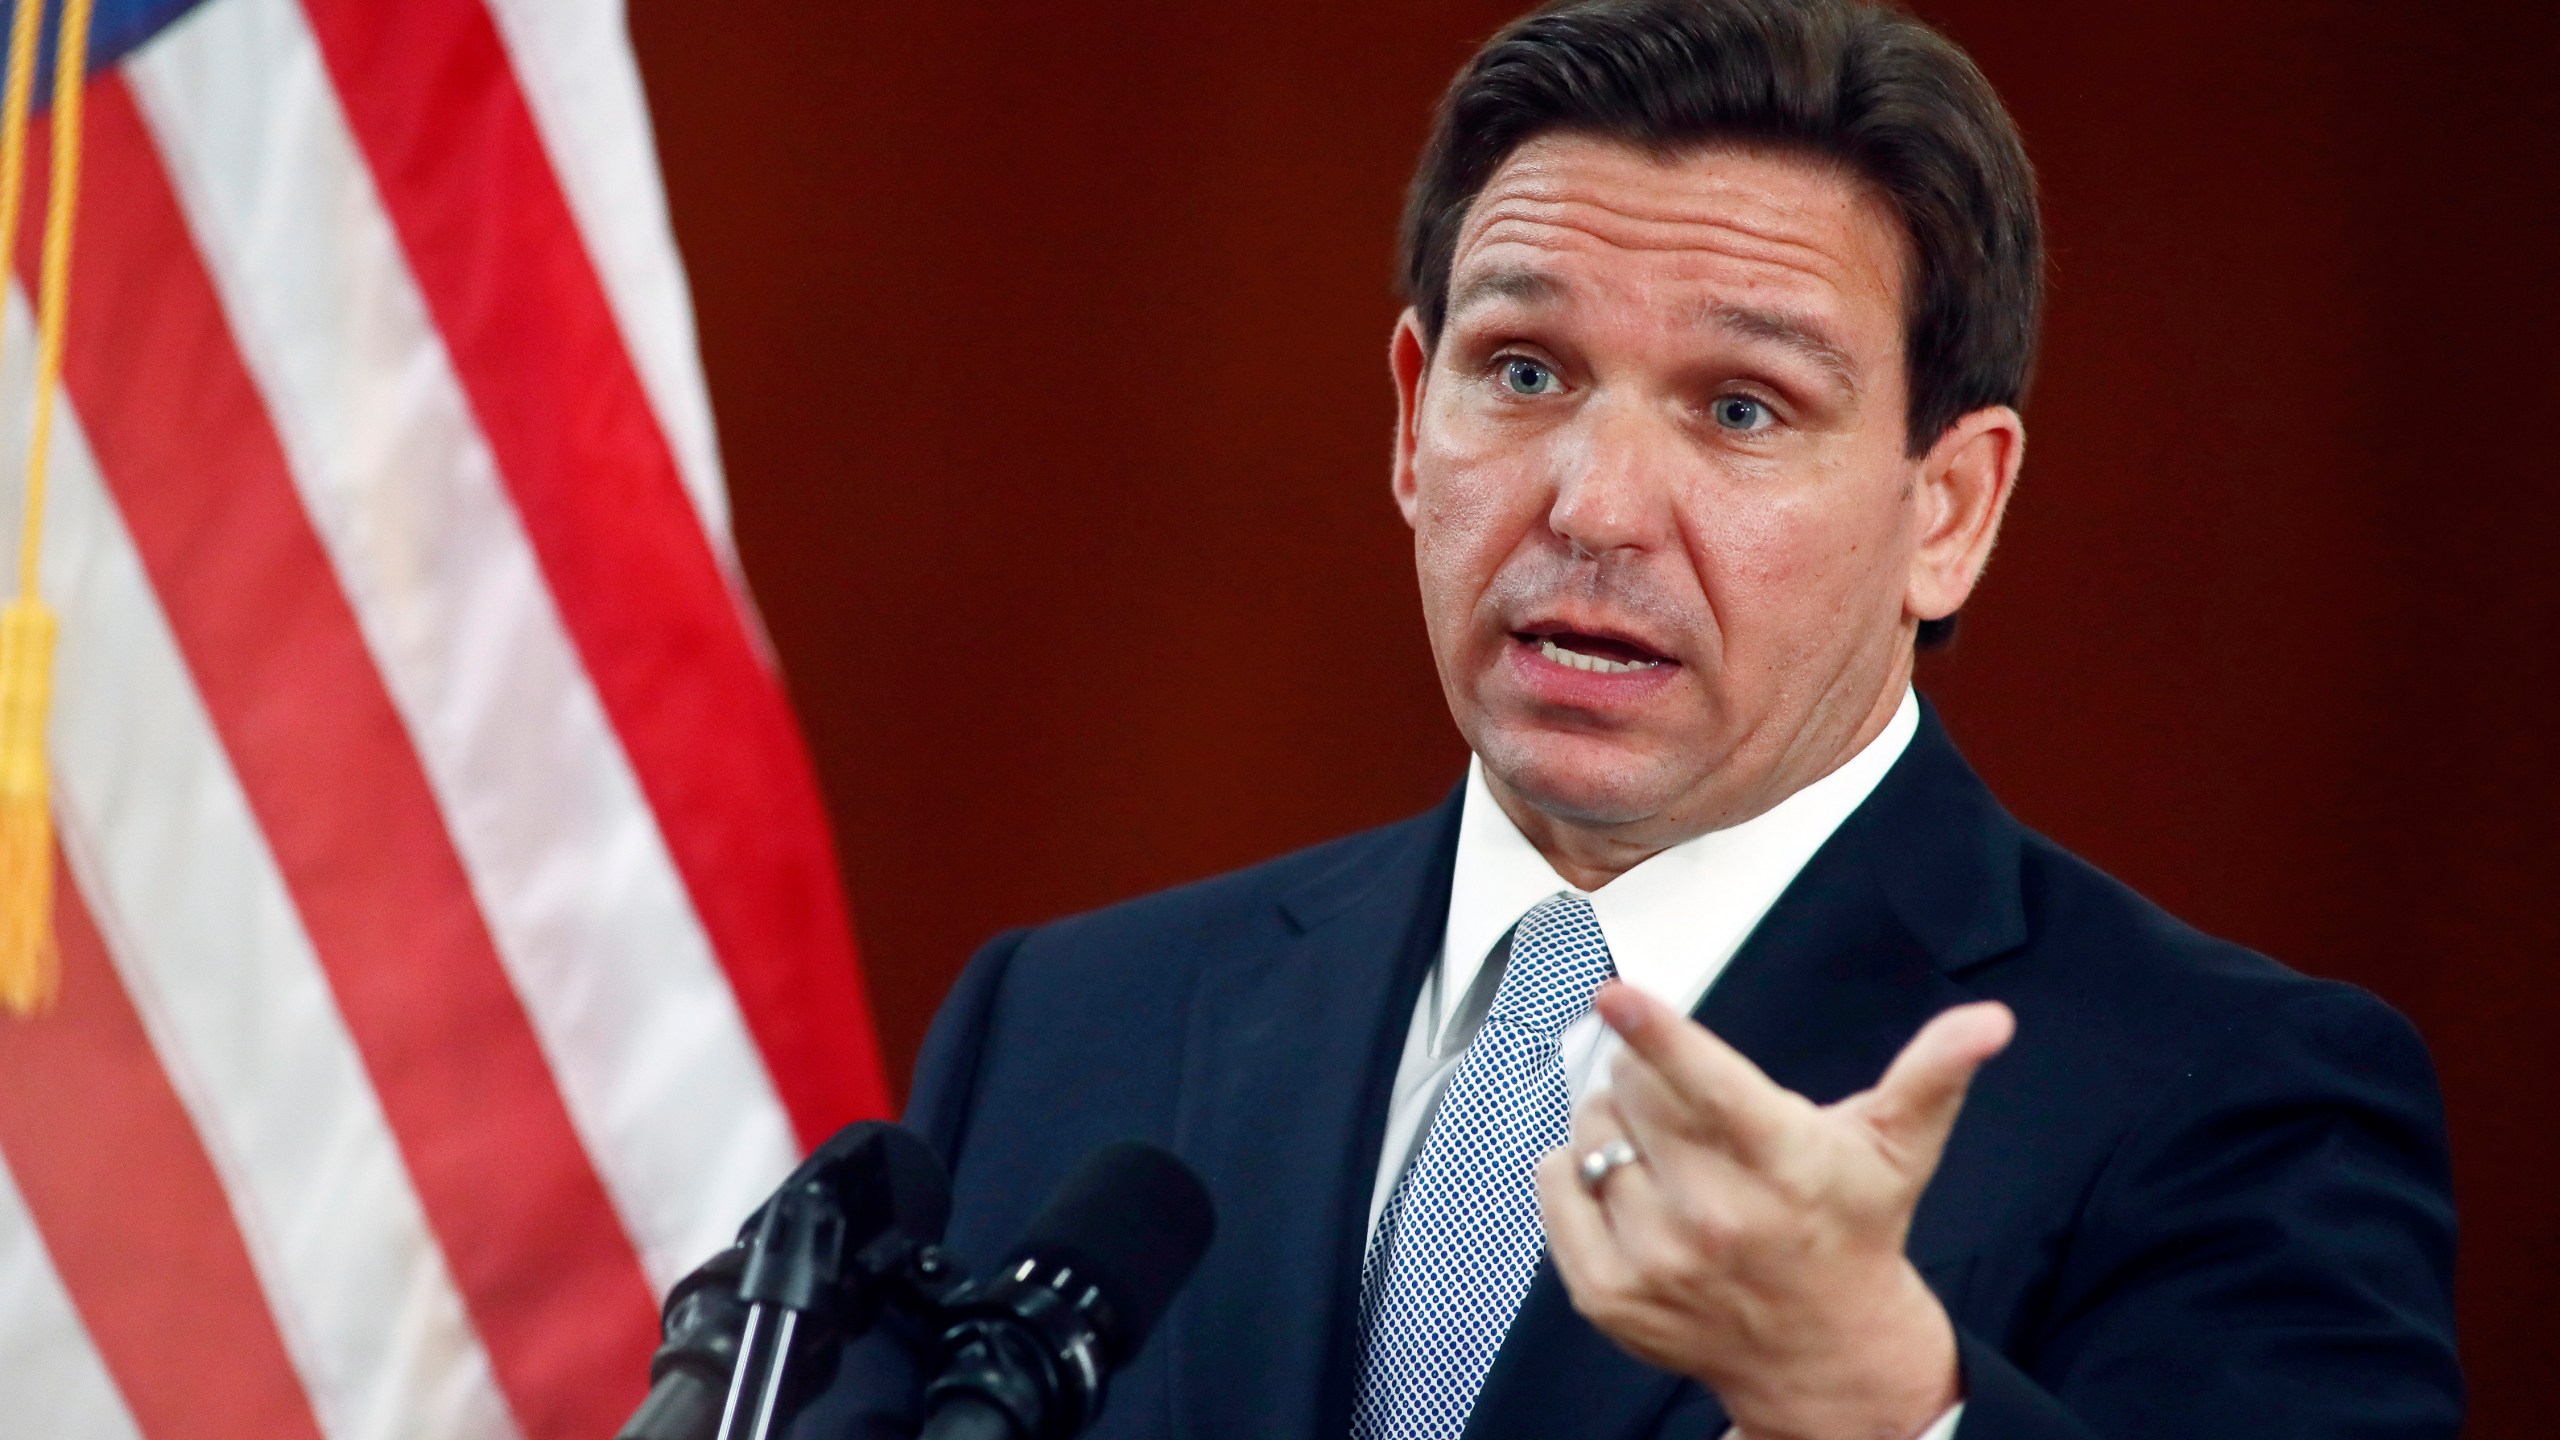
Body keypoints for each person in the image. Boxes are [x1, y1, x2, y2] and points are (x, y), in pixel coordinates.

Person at [794, 1, 2461, 1436]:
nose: (1593, 505)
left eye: (1742, 407)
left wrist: (1875, 1399)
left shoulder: (2236, 1102)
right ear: (1411, 417)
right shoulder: (1069, 1019)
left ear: (1950, 510)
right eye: (1525, 372)